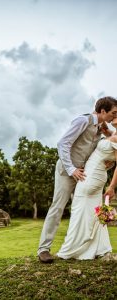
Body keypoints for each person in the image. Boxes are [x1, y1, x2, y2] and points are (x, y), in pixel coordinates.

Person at [38, 96, 117, 263]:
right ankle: (44, 249)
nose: (114, 117)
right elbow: (63, 143)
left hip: (85, 174)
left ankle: (85, 247)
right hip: (68, 171)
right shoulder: (82, 121)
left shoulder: (100, 128)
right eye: (113, 113)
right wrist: (71, 169)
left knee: (83, 209)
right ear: (103, 111)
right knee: (57, 207)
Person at [56, 117, 117, 259]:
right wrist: (106, 130)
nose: (113, 117)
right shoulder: (112, 134)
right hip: (96, 174)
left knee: (79, 208)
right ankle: (97, 248)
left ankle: (71, 249)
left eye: (115, 114)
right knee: (93, 211)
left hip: (91, 177)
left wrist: (112, 186)